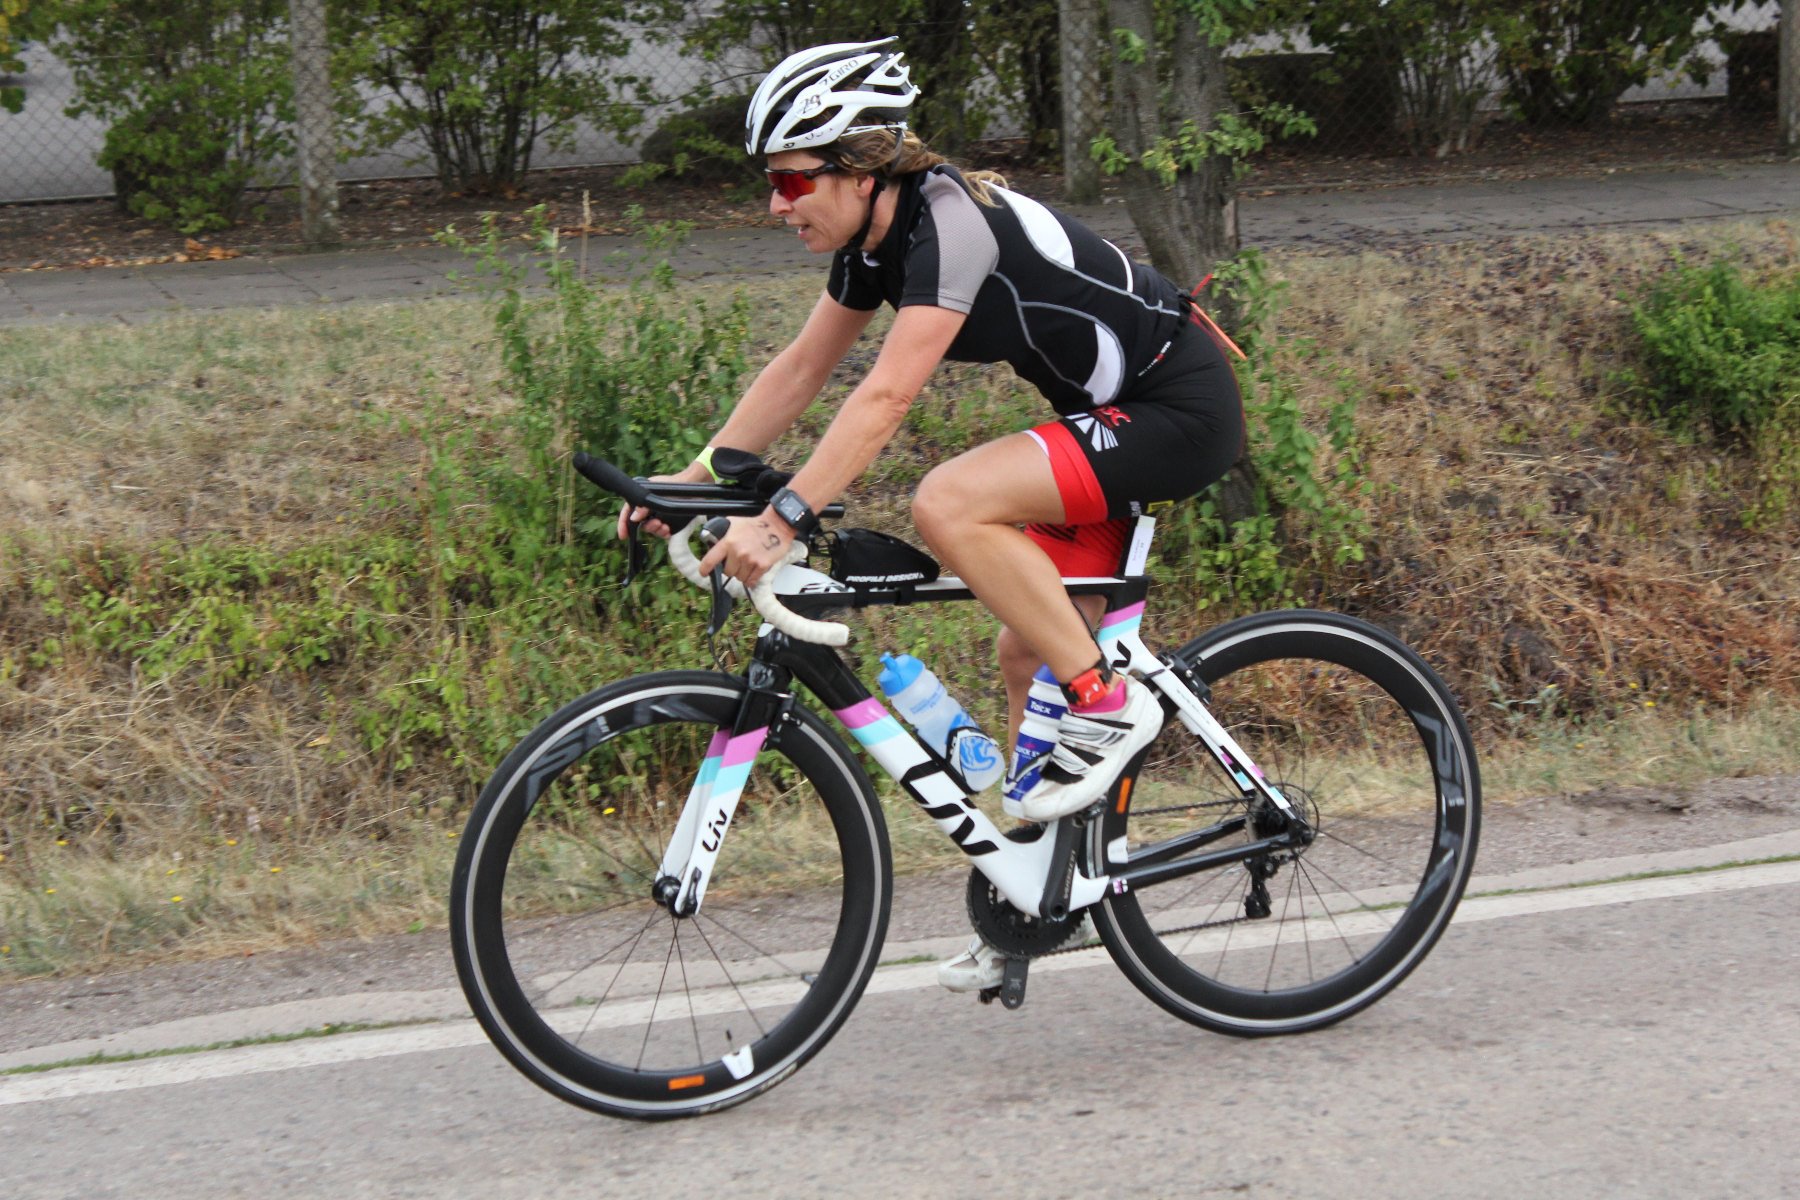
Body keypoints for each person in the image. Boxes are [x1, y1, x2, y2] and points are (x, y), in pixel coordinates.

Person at [621, 36, 1244, 992]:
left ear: (860, 166)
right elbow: (803, 367)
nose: (776, 204)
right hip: (1114, 416)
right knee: (1025, 647)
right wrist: (698, 476)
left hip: (1176, 409)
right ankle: (1040, 893)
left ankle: (1109, 701)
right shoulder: (874, 242)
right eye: (771, 183)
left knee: (949, 501)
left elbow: (886, 398)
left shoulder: (950, 224)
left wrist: (782, 520)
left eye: (791, 181)